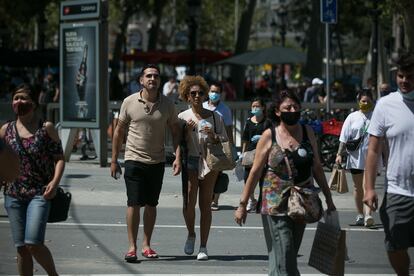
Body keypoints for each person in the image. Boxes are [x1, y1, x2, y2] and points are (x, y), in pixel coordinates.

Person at [234, 90, 336, 275]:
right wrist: (243, 204)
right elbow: (255, 171)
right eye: (287, 107)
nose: (292, 110)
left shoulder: (307, 132)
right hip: (274, 203)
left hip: (301, 202)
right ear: (278, 112)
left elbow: (317, 168)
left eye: (296, 107)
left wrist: (329, 198)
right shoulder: (269, 135)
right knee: (286, 252)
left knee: (283, 256)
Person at [110, 64, 182, 262]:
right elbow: (118, 131)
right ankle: (132, 247)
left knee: (151, 204)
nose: (153, 79)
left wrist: (178, 156)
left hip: (157, 161)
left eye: (156, 76)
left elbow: (176, 131)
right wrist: (114, 159)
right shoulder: (129, 102)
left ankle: (146, 245)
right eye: (149, 76)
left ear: (160, 81)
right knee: (134, 203)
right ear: (141, 80)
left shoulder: (168, 104)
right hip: (133, 159)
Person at [0, 84, 65, 276]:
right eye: (16, 98)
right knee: (21, 247)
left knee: (33, 243)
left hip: (39, 194)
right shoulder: (6, 130)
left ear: (34, 104)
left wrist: (54, 183)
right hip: (13, 195)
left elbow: (60, 158)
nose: (19, 102)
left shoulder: (46, 128)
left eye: (23, 98)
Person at [364, 52, 414, 276]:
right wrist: (369, 188)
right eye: (401, 76)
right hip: (397, 190)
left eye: (410, 76)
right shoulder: (385, 105)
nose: (404, 81)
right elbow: (373, 150)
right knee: (394, 244)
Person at [177, 75, 228, 260]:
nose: (197, 96)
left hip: (209, 162)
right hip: (190, 160)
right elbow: (176, 142)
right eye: (193, 93)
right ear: (187, 96)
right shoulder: (182, 116)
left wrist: (213, 135)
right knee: (188, 203)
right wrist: (184, 131)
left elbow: (224, 140)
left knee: (205, 204)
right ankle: (191, 233)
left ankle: (203, 246)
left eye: (200, 93)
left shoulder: (215, 117)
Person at [335, 89, 379, 227]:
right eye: (363, 101)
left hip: (372, 157)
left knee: (368, 186)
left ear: (373, 101)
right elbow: (344, 138)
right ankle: (360, 214)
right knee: (357, 187)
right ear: (358, 101)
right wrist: (339, 154)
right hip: (355, 157)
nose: (365, 103)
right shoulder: (352, 117)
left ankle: (368, 215)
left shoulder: (377, 116)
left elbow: (384, 139)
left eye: (368, 101)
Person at [203, 81, 233, 210]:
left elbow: (229, 128)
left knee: (218, 172)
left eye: (217, 92)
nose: (214, 94)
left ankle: (215, 200)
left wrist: (230, 147)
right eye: (212, 91)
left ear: (221, 94)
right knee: (206, 172)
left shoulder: (224, 109)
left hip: (219, 143)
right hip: (204, 144)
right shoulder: (202, 106)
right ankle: (207, 197)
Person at [240, 97, 271, 212]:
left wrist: (262, 138)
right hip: (250, 153)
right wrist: (243, 154)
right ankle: (251, 199)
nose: (255, 108)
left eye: (257, 106)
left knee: (263, 179)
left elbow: (272, 138)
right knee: (247, 178)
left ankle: (261, 202)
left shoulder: (268, 122)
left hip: (264, 154)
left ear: (263, 107)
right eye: (253, 106)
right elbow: (245, 139)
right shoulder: (249, 121)